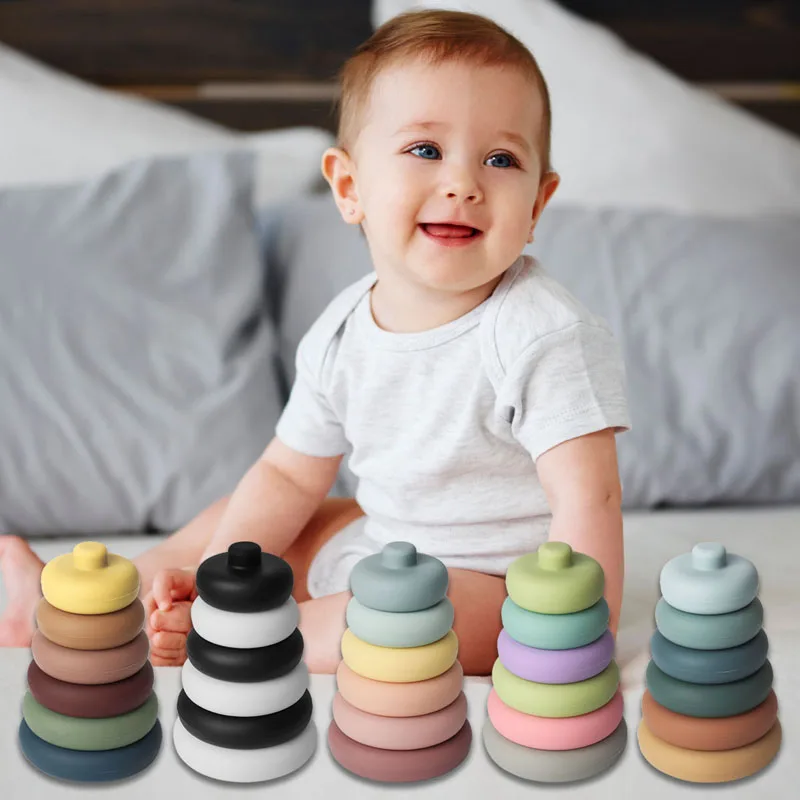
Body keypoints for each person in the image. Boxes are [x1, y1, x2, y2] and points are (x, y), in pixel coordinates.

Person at [0, 9, 630, 674]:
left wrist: (582, 631)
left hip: (494, 588)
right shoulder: (342, 329)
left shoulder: (542, 333)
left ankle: (255, 632)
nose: (463, 184)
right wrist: (219, 572)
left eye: (501, 160)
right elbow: (288, 474)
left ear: (536, 206)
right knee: (242, 518)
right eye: (425, 150)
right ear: (350, 187)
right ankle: (100, 604)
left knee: (408, 614)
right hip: (379, 546)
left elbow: (589, 499)